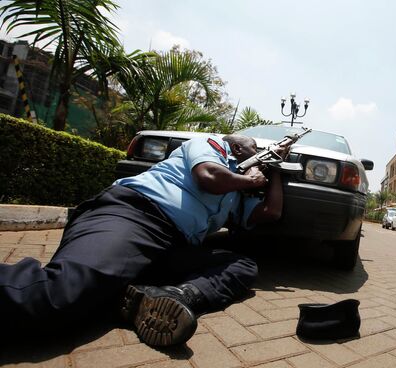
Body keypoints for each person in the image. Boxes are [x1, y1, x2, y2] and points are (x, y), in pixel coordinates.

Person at [0, 134, 290, 346]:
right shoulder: (210, 145)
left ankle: (172, 296)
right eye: (256, 147)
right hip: (134, 215)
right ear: (237, 146)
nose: (259, 151)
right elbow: (209, 177)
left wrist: (275, 170)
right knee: (58, 296)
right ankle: (117, 293)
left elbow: (270, 212)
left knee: (241, 266)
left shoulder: (236, 190)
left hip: (173, 245)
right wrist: (252, 181)